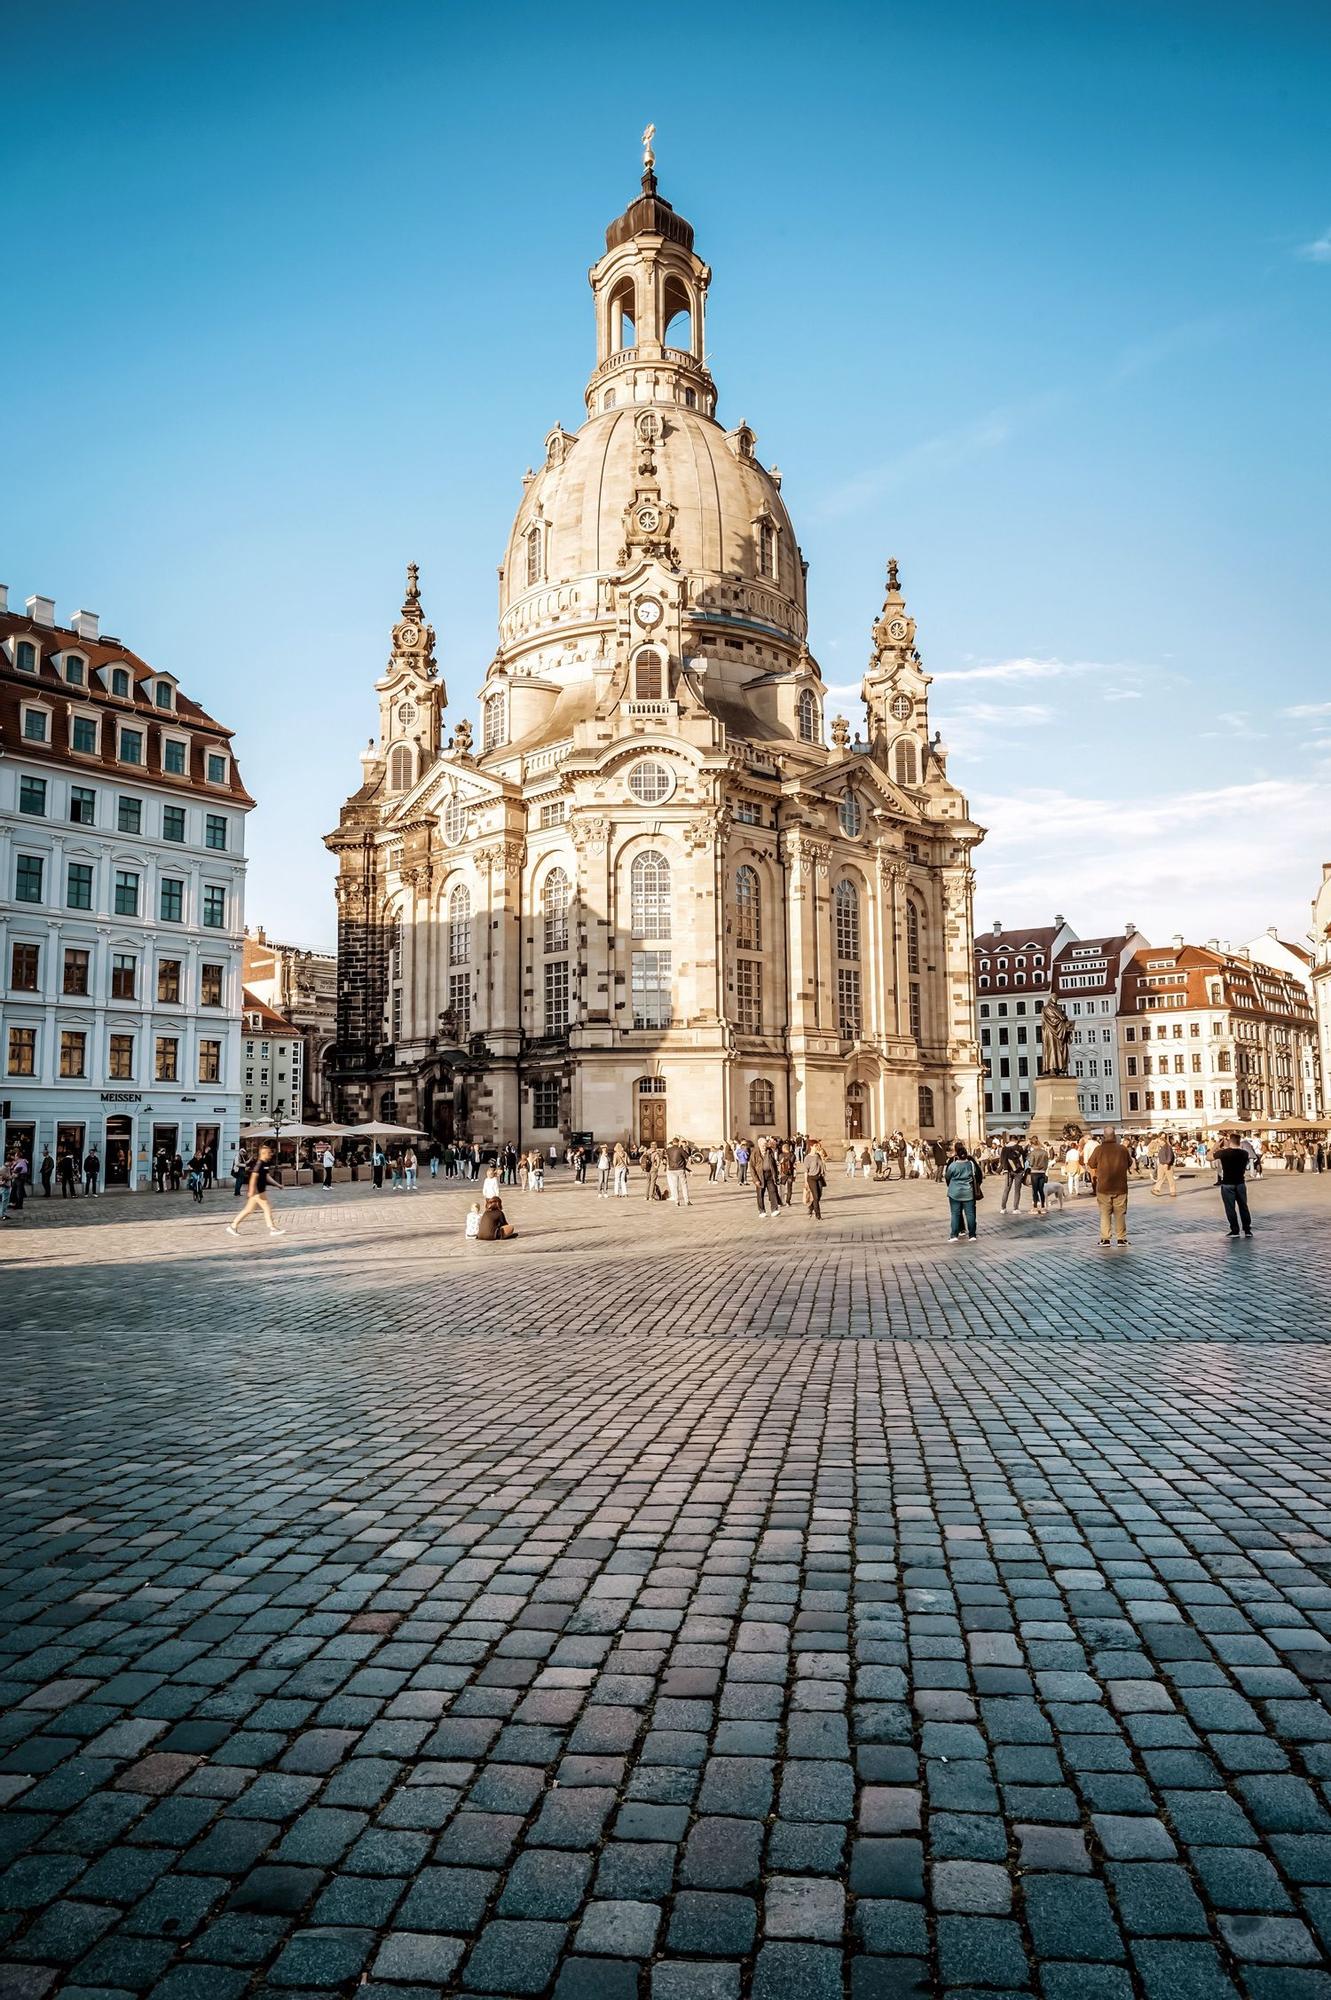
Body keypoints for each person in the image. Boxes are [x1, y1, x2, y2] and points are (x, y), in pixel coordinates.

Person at [225, 1145, 285, 1239]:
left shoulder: (265, 1164)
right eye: (269, 1153)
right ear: (263, 1154)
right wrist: (251, 1191)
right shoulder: (259, 1164)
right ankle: (272, 1228)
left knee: (248, 1210)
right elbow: (253, 1177)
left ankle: (233, 1226)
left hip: (260, 1191)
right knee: (266, 1208)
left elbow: (267, 1177)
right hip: (257, 1192)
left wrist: (278, 1185)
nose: (270, 1154)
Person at [1093, 1127, 1132, 1246]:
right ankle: (1121, 1239)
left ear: (1103, 1136)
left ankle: (1105, 1239)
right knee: (1120, 1213)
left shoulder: (1099, 1149)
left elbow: (1091, 1163)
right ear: (1115, 1136)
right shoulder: (1122, 1149)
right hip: (1120, 1186)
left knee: (1105, 1213)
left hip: (1104, 1187)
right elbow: (1130, 1162)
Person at [1214, 1132, 1254, 1237]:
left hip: (1227, 1183)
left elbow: (1209, 1157)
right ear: (1239, 1141)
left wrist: (1216, 1145)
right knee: (1243, 1206)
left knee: (1230, 1208)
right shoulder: (1244, 1153)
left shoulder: (1224, 1153)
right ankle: (1247, 1230)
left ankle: (1235, 1230)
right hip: (1240, 1182)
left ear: (1229, 1141)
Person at [944, 1143, 980, 1241]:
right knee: (970, 1214)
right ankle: (972, 1235)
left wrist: (950, 1184)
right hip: (968, 1191)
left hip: (954, 1192)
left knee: (955, 1214)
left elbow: (947, 1176)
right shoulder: (970, 1164)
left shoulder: (953, 1165)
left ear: (957, 1154)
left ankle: (954, 1235)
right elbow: (977, 1175)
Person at [754, 1139, 781, 1217]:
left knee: (773, 1191)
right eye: (762, 1145)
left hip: (770, 1175)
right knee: (760, 1194)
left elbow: (774, 1163)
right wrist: (755, 1179)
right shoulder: (755, 1153)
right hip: (760, 1176)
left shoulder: (769, 1151)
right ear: (759, 1145)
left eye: (765, 1145)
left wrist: (776, 1175)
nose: (764, 1147)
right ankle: (761, 1211)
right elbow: (752, 1167)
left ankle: (774, 1210)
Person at [999, 1138, 1027, 1213]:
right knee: (1017, 1190)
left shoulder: (1004, 1148)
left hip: (1008, 1171)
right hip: (1018, 1171)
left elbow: (1002, 1159)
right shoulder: (1019, 1147)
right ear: (1016, 1141)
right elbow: (1024, 1158)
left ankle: (1003, 1208)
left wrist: (1005, 1169)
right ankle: (1015, 1208)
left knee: (1006, 1189)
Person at [803, 1140, 826, 1220]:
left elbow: (821, 1165)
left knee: (819, 1196)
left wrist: (823, 1171)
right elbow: (806, 1170)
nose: (817, 1147)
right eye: (815, 1146)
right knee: (815, 1196)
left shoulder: (818, 1155)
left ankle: (811, 1206)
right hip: (811, 1178)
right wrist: (805, 1182)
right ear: (811, 1146)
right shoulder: (807, 1158)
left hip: (819, 1177)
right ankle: (818, 1215)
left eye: (817, 1145)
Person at [664, 1137, 691, 1207]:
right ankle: (686, 1201)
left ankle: (676, 1201)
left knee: (675, 1186)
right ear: (678, 1142)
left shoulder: (668, 1150)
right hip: (680, 1169)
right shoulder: (680, 1149)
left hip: (672, 1170)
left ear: (672, 1142)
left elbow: (664, 1157)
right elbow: (687, 1156)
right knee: (684, 1185)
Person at [1027, 1139, 1050, 1216]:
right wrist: (1044, 1169)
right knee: (1041, 1190)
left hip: (1034, 1172)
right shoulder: (1044, 1152)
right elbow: (1047, 1163)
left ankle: (1035, 1207)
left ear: (1033, 1145)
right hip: (1042, 1172)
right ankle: (1043, 1207)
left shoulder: (1033, 1152)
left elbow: (1031, 1163)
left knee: (1035, 1190)